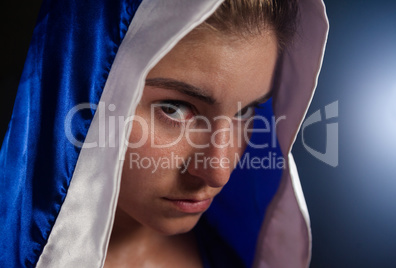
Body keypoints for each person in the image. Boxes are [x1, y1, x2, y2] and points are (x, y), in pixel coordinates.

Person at [0, 0, 328, 267]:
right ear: (82, 87)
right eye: (174, 109)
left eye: (245, 111)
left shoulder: (232, 255)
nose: (219, 172)